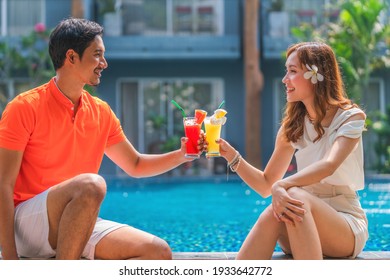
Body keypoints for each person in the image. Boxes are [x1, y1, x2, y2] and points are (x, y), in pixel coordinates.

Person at [0, 18, 204, 260]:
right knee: (91, 185)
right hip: (26, 224)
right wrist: (9, 258)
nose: (104, 63)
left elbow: (136, 165)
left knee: (157, 252)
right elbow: (3, 184)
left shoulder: (100, 111)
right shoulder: (24, 107)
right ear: (72, 57)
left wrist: (182, 155)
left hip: (75, 220)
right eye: (97, 55)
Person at [217, 42, 368, 259]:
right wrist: (231, 155)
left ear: (316, 74)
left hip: (344, 224)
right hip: (300, 216)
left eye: (293, 71)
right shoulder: (293, 126)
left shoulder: (350, 117)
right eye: (286, 71)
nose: (284, 79)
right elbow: (266, 184)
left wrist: (283, 185)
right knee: (277, 210)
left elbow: (329, 165)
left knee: (292, 198)